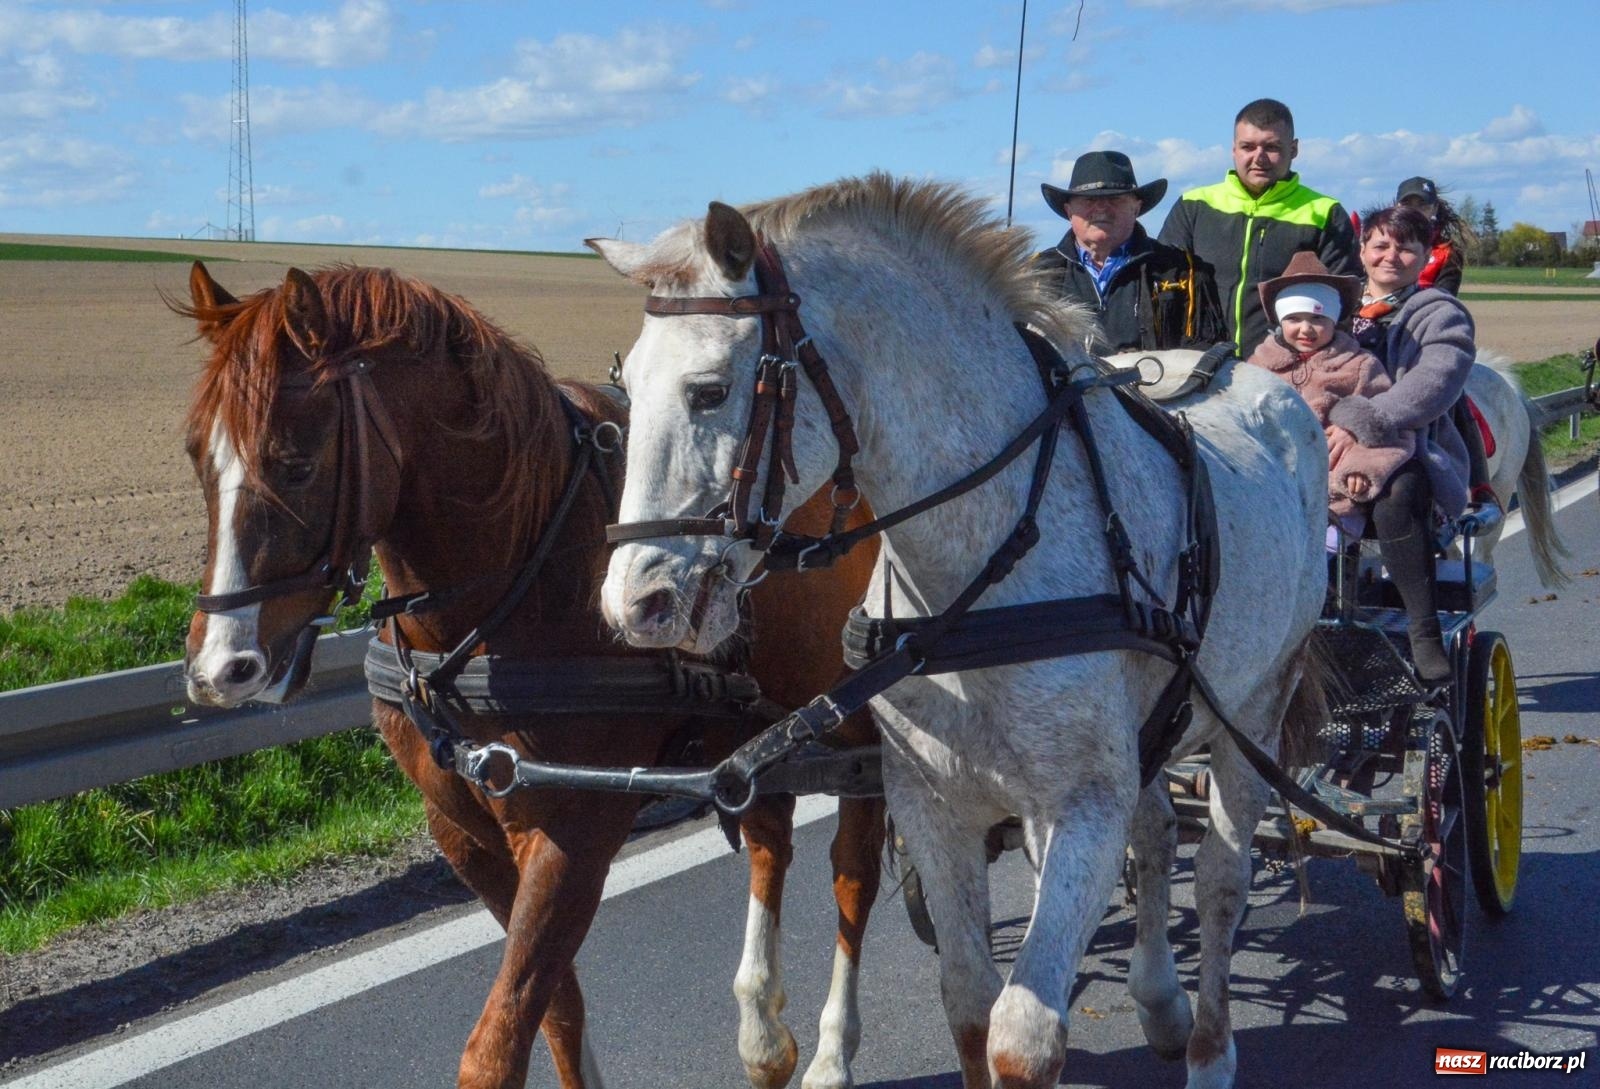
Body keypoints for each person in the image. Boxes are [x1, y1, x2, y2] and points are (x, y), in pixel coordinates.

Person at [1329, 205, 1477, 683]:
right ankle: (1321, 620)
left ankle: (1423, 629)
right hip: (1329, 442)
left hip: (1413, 443)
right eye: (1381, 245)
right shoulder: (1335, 306)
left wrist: (1362, 419)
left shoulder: (1439, 312)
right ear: (1363, 250)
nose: (1392, 255)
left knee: (1400, 493)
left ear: (1424, 255)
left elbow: (1438, 377)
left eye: (1405, 246)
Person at [1159, 98, 1359, 357]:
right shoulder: (1194, 205)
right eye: (1248, 147)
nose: (1259, 157)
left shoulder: (1324, 213)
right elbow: (1162, 285)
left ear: (1294, 149)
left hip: (1286, 371)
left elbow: (1341, 307)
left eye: (1272, 147)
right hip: (1199, 369)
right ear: (1234, 149)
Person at [1244, 252, 1412, 537]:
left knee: (1325, 560)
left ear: (1334, 320)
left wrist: (1361, 468)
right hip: (1266, 494)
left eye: (1318, 318)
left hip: (1333, 500)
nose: (1306, 329)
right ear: (1280, 320)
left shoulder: (1359, 366)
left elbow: (1386, 430)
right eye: (1294, 318)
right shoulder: (1258, 366)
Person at [1033, 150, 1226, 353]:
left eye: (1114, 199)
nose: (1101, 208)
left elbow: (1205, 353)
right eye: (1089, 200)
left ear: (1136, 208)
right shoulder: (1036, 274)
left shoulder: (1184, 271)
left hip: (1157, 383)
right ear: (1069, 211)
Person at [1394, 176, 1473, 296]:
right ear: (1396, 206)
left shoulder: (1447, 253)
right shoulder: (1379, 245)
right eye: (1407, 204)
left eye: (1422, 205)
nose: (1415, 211)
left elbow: (1444, 302)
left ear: (1434, 208)